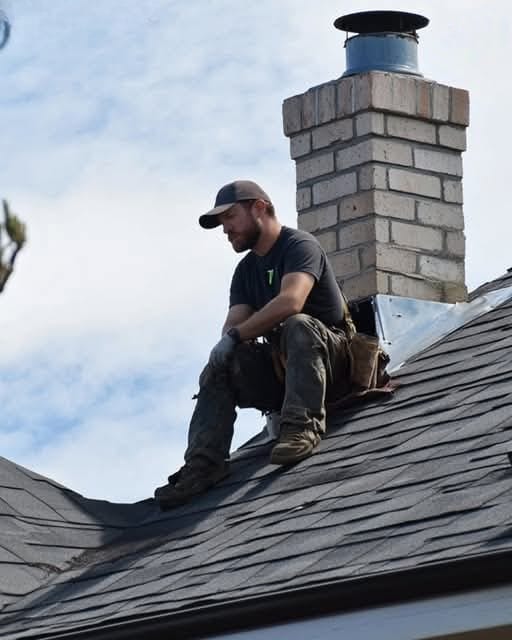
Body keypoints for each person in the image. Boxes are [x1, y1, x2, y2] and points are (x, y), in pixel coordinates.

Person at [154, 180, 353, 509]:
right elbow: (234, 324)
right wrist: (230, 344)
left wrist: (236, 336)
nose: (226, 230)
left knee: (298, 325)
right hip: (287, 372)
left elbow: (292, 300)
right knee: (222, 363)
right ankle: (204, 465)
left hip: (333, 365)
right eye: (222, 223)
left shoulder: (299, 246)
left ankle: (302, 429)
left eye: (230, 217)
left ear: (259, 208)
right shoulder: (246, 271)